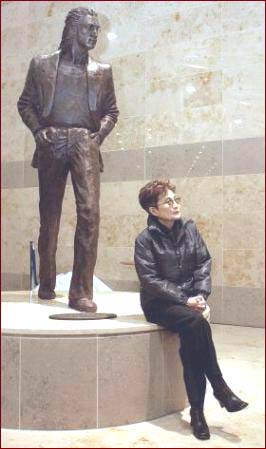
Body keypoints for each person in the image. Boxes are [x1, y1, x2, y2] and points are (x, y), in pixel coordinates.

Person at [17, 7, 119, 312]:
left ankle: (81, 292)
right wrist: (38, 131)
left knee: (89, 214)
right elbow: (24, 104)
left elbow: (112, 112)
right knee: (50, 217)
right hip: (51, 142)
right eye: (89, 28)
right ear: (73, 29)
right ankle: (46, 280)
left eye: (97, 30)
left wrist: (97, 137)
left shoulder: (103, 71)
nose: (94, 34)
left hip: (84, 144)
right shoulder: (42, 64)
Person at [134, 180, 248, 440]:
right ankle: (220, 388)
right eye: (168, 201)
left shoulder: (190, 228)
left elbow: (203, 262)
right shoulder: (145, 239)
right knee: (197, 324)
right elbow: (150, 280)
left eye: (176, 199)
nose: (175, 205)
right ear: (153, 210)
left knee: (192, 339)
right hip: (159, 303)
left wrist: (200, 295)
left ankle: (198, 412)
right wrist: (185, 300)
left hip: (189, 300)